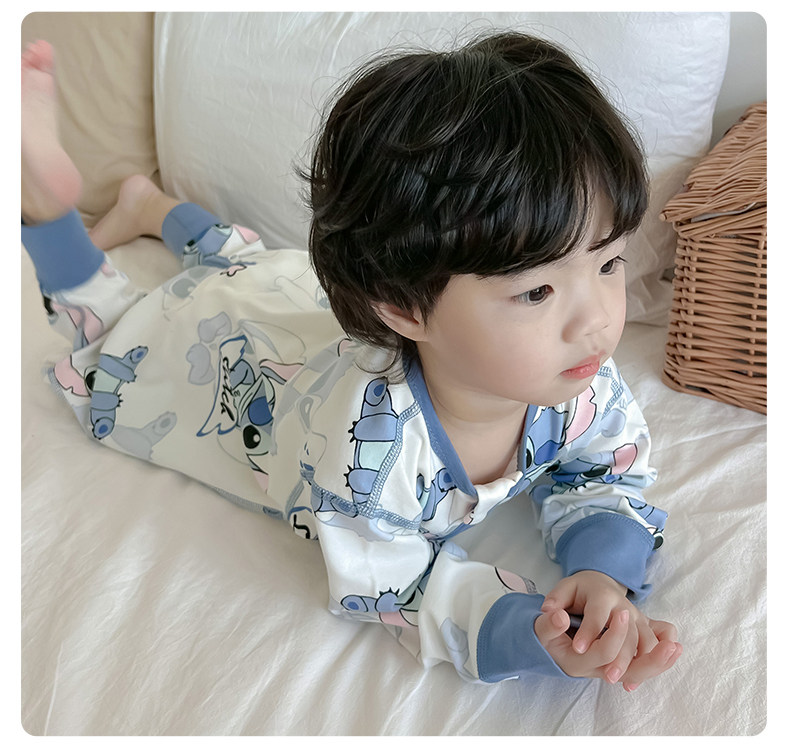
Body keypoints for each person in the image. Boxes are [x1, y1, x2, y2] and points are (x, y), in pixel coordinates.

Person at [21, 32, 681, 690]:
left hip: (298, 308)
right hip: (238, 355)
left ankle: (148, 205)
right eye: (536, 292)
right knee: (123, 338)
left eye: (609, 263)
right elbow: (396, 588)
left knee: (249, 264)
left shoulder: (574, 373)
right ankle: (46, 208)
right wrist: (534, 636)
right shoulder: (369, 456)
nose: (597, 320)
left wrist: (601, 575)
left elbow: (604, 471)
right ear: (405, 309)